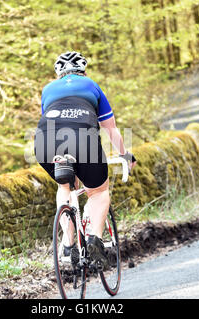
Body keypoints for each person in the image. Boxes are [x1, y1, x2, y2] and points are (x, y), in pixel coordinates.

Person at [34, 51, 136, 267]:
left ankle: (68, 243)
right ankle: (94, 241)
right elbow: (110, 129)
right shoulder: (91, 85)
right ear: (83, 71)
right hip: (82, 138)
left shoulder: (47, 89)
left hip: (45, 140)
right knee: (98, 192)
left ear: (58, 74)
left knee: (65, 186)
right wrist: (124, 154)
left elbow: (49, 118)